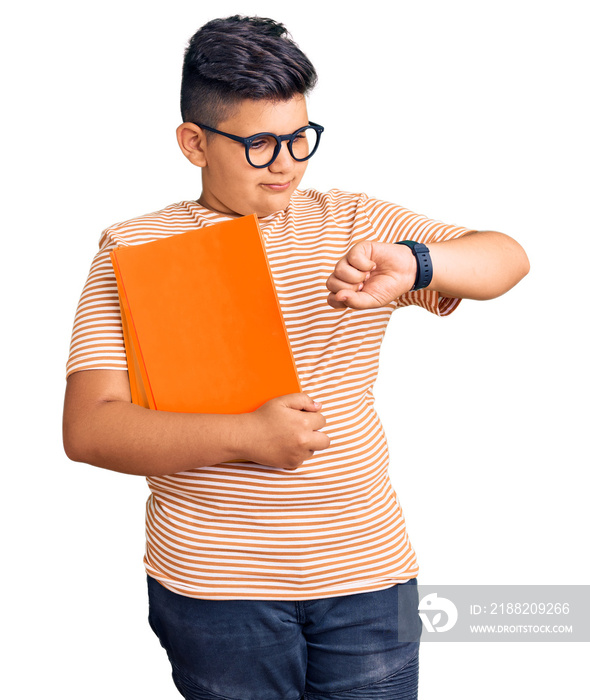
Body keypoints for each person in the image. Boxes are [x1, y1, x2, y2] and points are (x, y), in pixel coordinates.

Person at [63, 15, 529, 700]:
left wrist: (418, 263)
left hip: (369, 574)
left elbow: (506, 260)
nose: (286, 162)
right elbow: (90, 428)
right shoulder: (136, 250)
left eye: (299, 137)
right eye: (258, 143)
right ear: (195, 142)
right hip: (214, 587)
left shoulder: (355, 221)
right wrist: (247, 436)